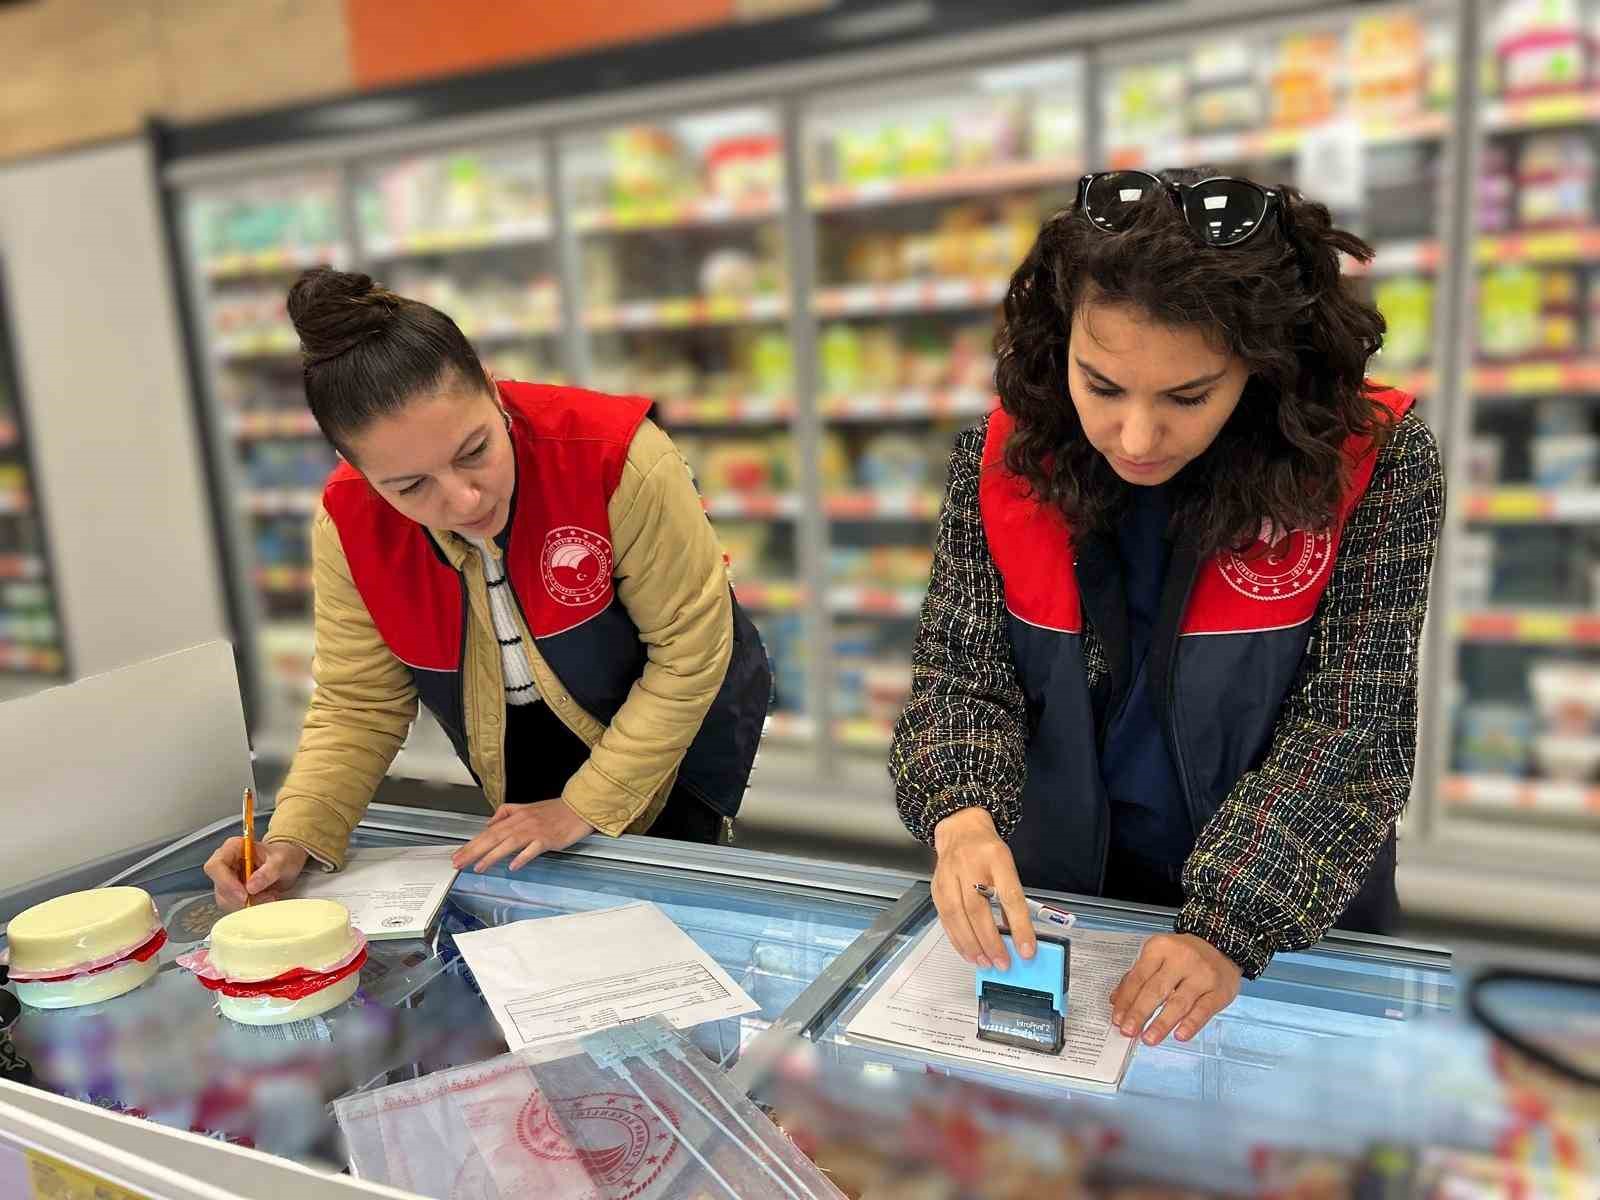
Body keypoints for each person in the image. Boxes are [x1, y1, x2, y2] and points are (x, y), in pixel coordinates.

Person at [890, 170, 1445, 1048]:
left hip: (1280, 907)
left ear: (1263, 368)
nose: (1137, 438)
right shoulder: (1007, 454)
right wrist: (962, 815)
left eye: (1188, 397)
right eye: (1101, 386)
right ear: (1058, 337)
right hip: (1063, 900)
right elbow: (962, 670)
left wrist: (1231, 922)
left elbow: (1353, 725)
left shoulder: (1369, 462)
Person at [206, 268, 771, 909]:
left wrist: (584, 805)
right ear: (358, 471)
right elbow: (358, 702)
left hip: (675, 724)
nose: (463, 499)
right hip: (514, 737)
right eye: (410, 487)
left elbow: (688, 653)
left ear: (494, 392)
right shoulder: (349, 521)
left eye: (475, 450)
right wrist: (295, 837)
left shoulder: (617, 457)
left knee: (677, 901)